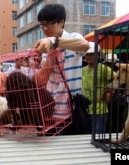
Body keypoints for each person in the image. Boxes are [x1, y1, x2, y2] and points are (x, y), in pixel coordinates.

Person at [33, 4, 89, 135]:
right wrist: (50, 57)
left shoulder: (73, 37)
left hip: (70, 112)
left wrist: (55, 42)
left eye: (49, 24)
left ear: (61, 22)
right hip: (50, 110)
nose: (45, 29)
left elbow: (85, 46)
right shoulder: (46, 47)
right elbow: (42, 80)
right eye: (42, 25)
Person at [82, 42, 113, 134]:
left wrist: (108, 92)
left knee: (97, 137)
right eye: (87, 54)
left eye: (92, 54)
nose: (89, 57)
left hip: (100, 109)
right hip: (85, 109)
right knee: (86, 137)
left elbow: (117, 80)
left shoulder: (104, 69)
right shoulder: (83, 70)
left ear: (98, 55)